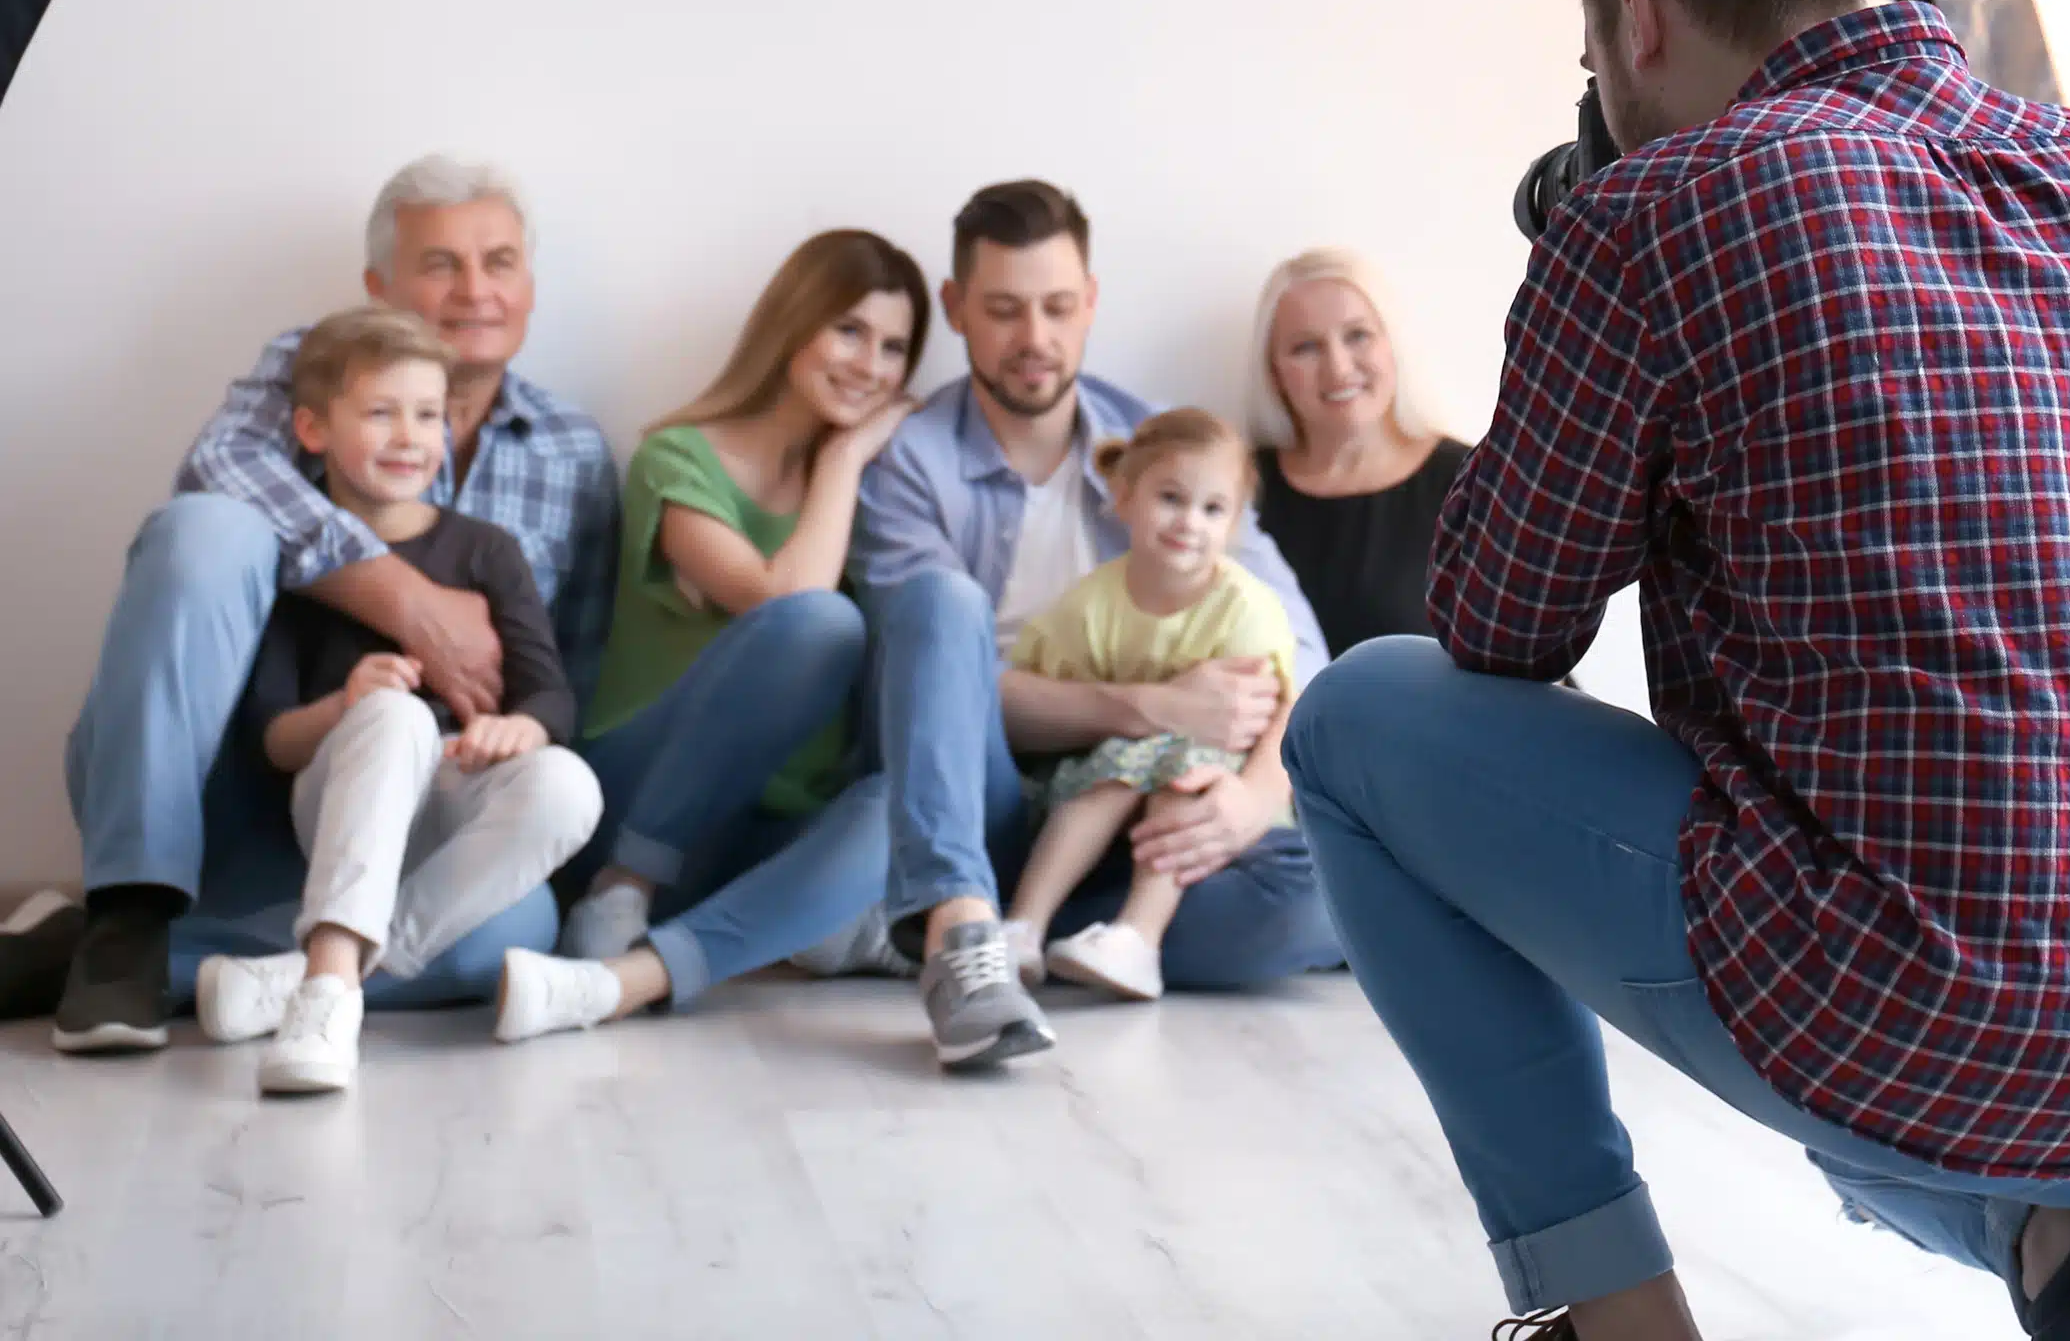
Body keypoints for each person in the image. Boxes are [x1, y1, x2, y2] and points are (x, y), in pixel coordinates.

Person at [1281, 0, 2070, 1341]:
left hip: (1926, 1004)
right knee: (1967, 974)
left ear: (1637, 16)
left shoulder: (1657, 208)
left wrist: (1570, 274)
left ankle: (1609, 1314)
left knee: (1358, 722)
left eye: (1595, 56)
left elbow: (1498, 627)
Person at [26, 155, 619, 1054]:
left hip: (418, 820)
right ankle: (132, 909)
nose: (474, 292)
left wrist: (527, 743)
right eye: (440, 265)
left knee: (513, 935)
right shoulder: (319, 369)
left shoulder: (572, 449)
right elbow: (220, 470)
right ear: (380, 286)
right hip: (254, 781)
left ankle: (160, 967)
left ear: (530, 284)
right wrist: (404, 598)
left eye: (499, 262)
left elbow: (567, 668)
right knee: (207, 529)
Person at [844, 179, 1340, 1069]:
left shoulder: (1168, 452)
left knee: (1311, 901)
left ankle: (1040, 931)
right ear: (956, 309)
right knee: (942, 604)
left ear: (1091, 303)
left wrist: (1250, 800)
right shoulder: (912, 464)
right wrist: (1148, 707)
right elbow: (937, 692)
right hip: (981, 801)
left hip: (1139, 819)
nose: (1035, 340)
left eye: (1057, 308)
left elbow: (1298, 654)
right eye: (1002, 310)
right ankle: (967, 930)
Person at [489, 230, 926, 1045]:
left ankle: (647, 972)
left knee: (901, 806)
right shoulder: (676, 457)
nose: (870, 365)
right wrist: (843, 462)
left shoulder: (880, 497)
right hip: (635, 806)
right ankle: (625, 897)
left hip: (759, 836)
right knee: (822, 625)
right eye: (850, 330)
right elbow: (785, 605)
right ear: (792, 324)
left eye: (895, 348)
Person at [190, 309, 602, 1093]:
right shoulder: (298, 559)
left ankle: (317, 978)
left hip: (452, 808)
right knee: (397, 713)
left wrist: (520, 727)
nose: (409, 437)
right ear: (312, 429)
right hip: (341, 801)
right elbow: (273, 740)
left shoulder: (486, 549)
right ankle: (330, 1005)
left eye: (427, 415)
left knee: (567, 783)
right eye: (381, 414)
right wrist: (346, 705)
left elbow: (550, 691)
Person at [1001, 409, 1299, 1002]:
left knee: (1179, 767)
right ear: (1125, 496)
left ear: (1234, 523)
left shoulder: (1243, 606)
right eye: (1171, 498)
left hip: (1213, 796)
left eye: (1213, 509)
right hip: (1103, 790)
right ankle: (1021, 929)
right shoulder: (1091, 605)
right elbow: (1029, 695)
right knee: (1119, 765)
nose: (1190, 522)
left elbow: (1271, 716)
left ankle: (1138, 937)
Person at [1247, 248, 1469, 656]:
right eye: (1305, 347)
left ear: (1391, 345)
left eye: (1358, 335)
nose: (1338, 367)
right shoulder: (1238, 488)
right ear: (1274, 372)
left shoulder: (1470, 482)